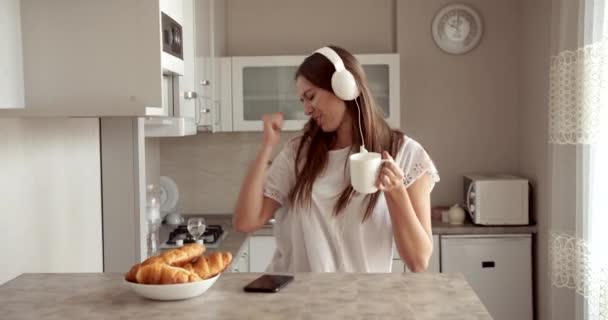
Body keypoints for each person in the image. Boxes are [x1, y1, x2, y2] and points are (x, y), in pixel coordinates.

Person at [233, 45, 440, 273]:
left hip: (362, 302)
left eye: (310, 96)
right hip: (298, 300)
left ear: (344, 87)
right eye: (302, 100)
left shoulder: (405, 153)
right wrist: (267, 146)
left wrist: (396, 190)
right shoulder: (300, 153)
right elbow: (246, 221)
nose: (307, 110)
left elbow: (418, 262)